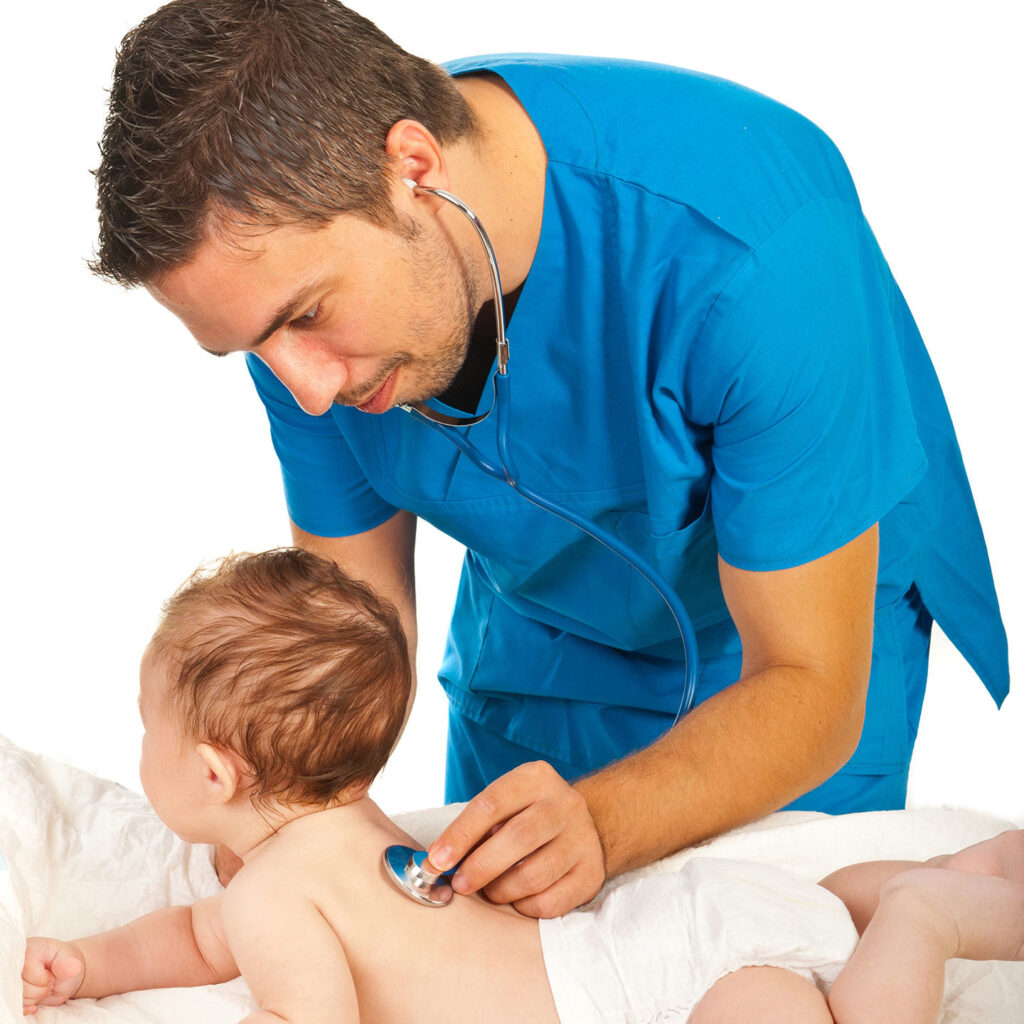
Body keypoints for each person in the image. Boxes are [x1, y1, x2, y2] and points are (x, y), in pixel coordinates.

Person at [90, 0, 1009, 916]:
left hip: (782, 666)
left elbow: (809, 679)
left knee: (775, 960)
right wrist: (281, 816)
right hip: (539, 657)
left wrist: (606, 825)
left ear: (412, 168)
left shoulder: (754, 256)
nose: (309, 391)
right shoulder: (296, 319)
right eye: (253, 346)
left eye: (305, 317)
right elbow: (348, 635)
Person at [20, 548, 1024, 1023]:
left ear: (210, 770)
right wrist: (92, 964)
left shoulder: (277, 894)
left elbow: (300, 1014)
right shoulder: (338, 831)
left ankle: (924, 914)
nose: (137, 744)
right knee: (801, 911)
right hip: (647, 934)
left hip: (662, 993)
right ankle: (950, 867)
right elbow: (199, 938)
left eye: (147, 723)